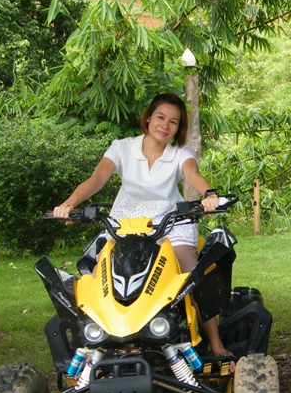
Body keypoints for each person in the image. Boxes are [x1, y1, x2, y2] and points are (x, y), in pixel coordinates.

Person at [53, 92, 231, 357]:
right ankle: (103, 345)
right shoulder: (122, 148)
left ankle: (215, 343)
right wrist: (68, 204)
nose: (165, 125)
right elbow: (97, 178)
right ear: (148, 118)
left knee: (191, 276)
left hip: (170, 224)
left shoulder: (179, 153)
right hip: (125, 226)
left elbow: (192, 173)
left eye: (173, 121)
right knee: (98, 280)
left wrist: (210, 195)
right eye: (160, 117)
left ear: (178, 128)